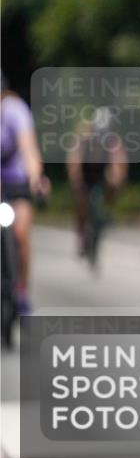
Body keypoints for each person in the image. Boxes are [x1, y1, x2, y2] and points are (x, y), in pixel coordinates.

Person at [0, 72, 49, 314]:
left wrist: (36, 178)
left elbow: (29, 149)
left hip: (16, 180)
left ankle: (21, 290)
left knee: (20, 234)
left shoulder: (14, 110)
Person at [66, 106, 128, 257]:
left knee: (113, 185)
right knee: (81, 201)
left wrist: (117, 180)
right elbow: (74, 159)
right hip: (86, 169)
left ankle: (107, 209)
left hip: (102, 170)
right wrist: (76, 178)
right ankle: (81, 235)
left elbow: (119, 162)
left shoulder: (113, 140)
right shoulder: (84, 136)